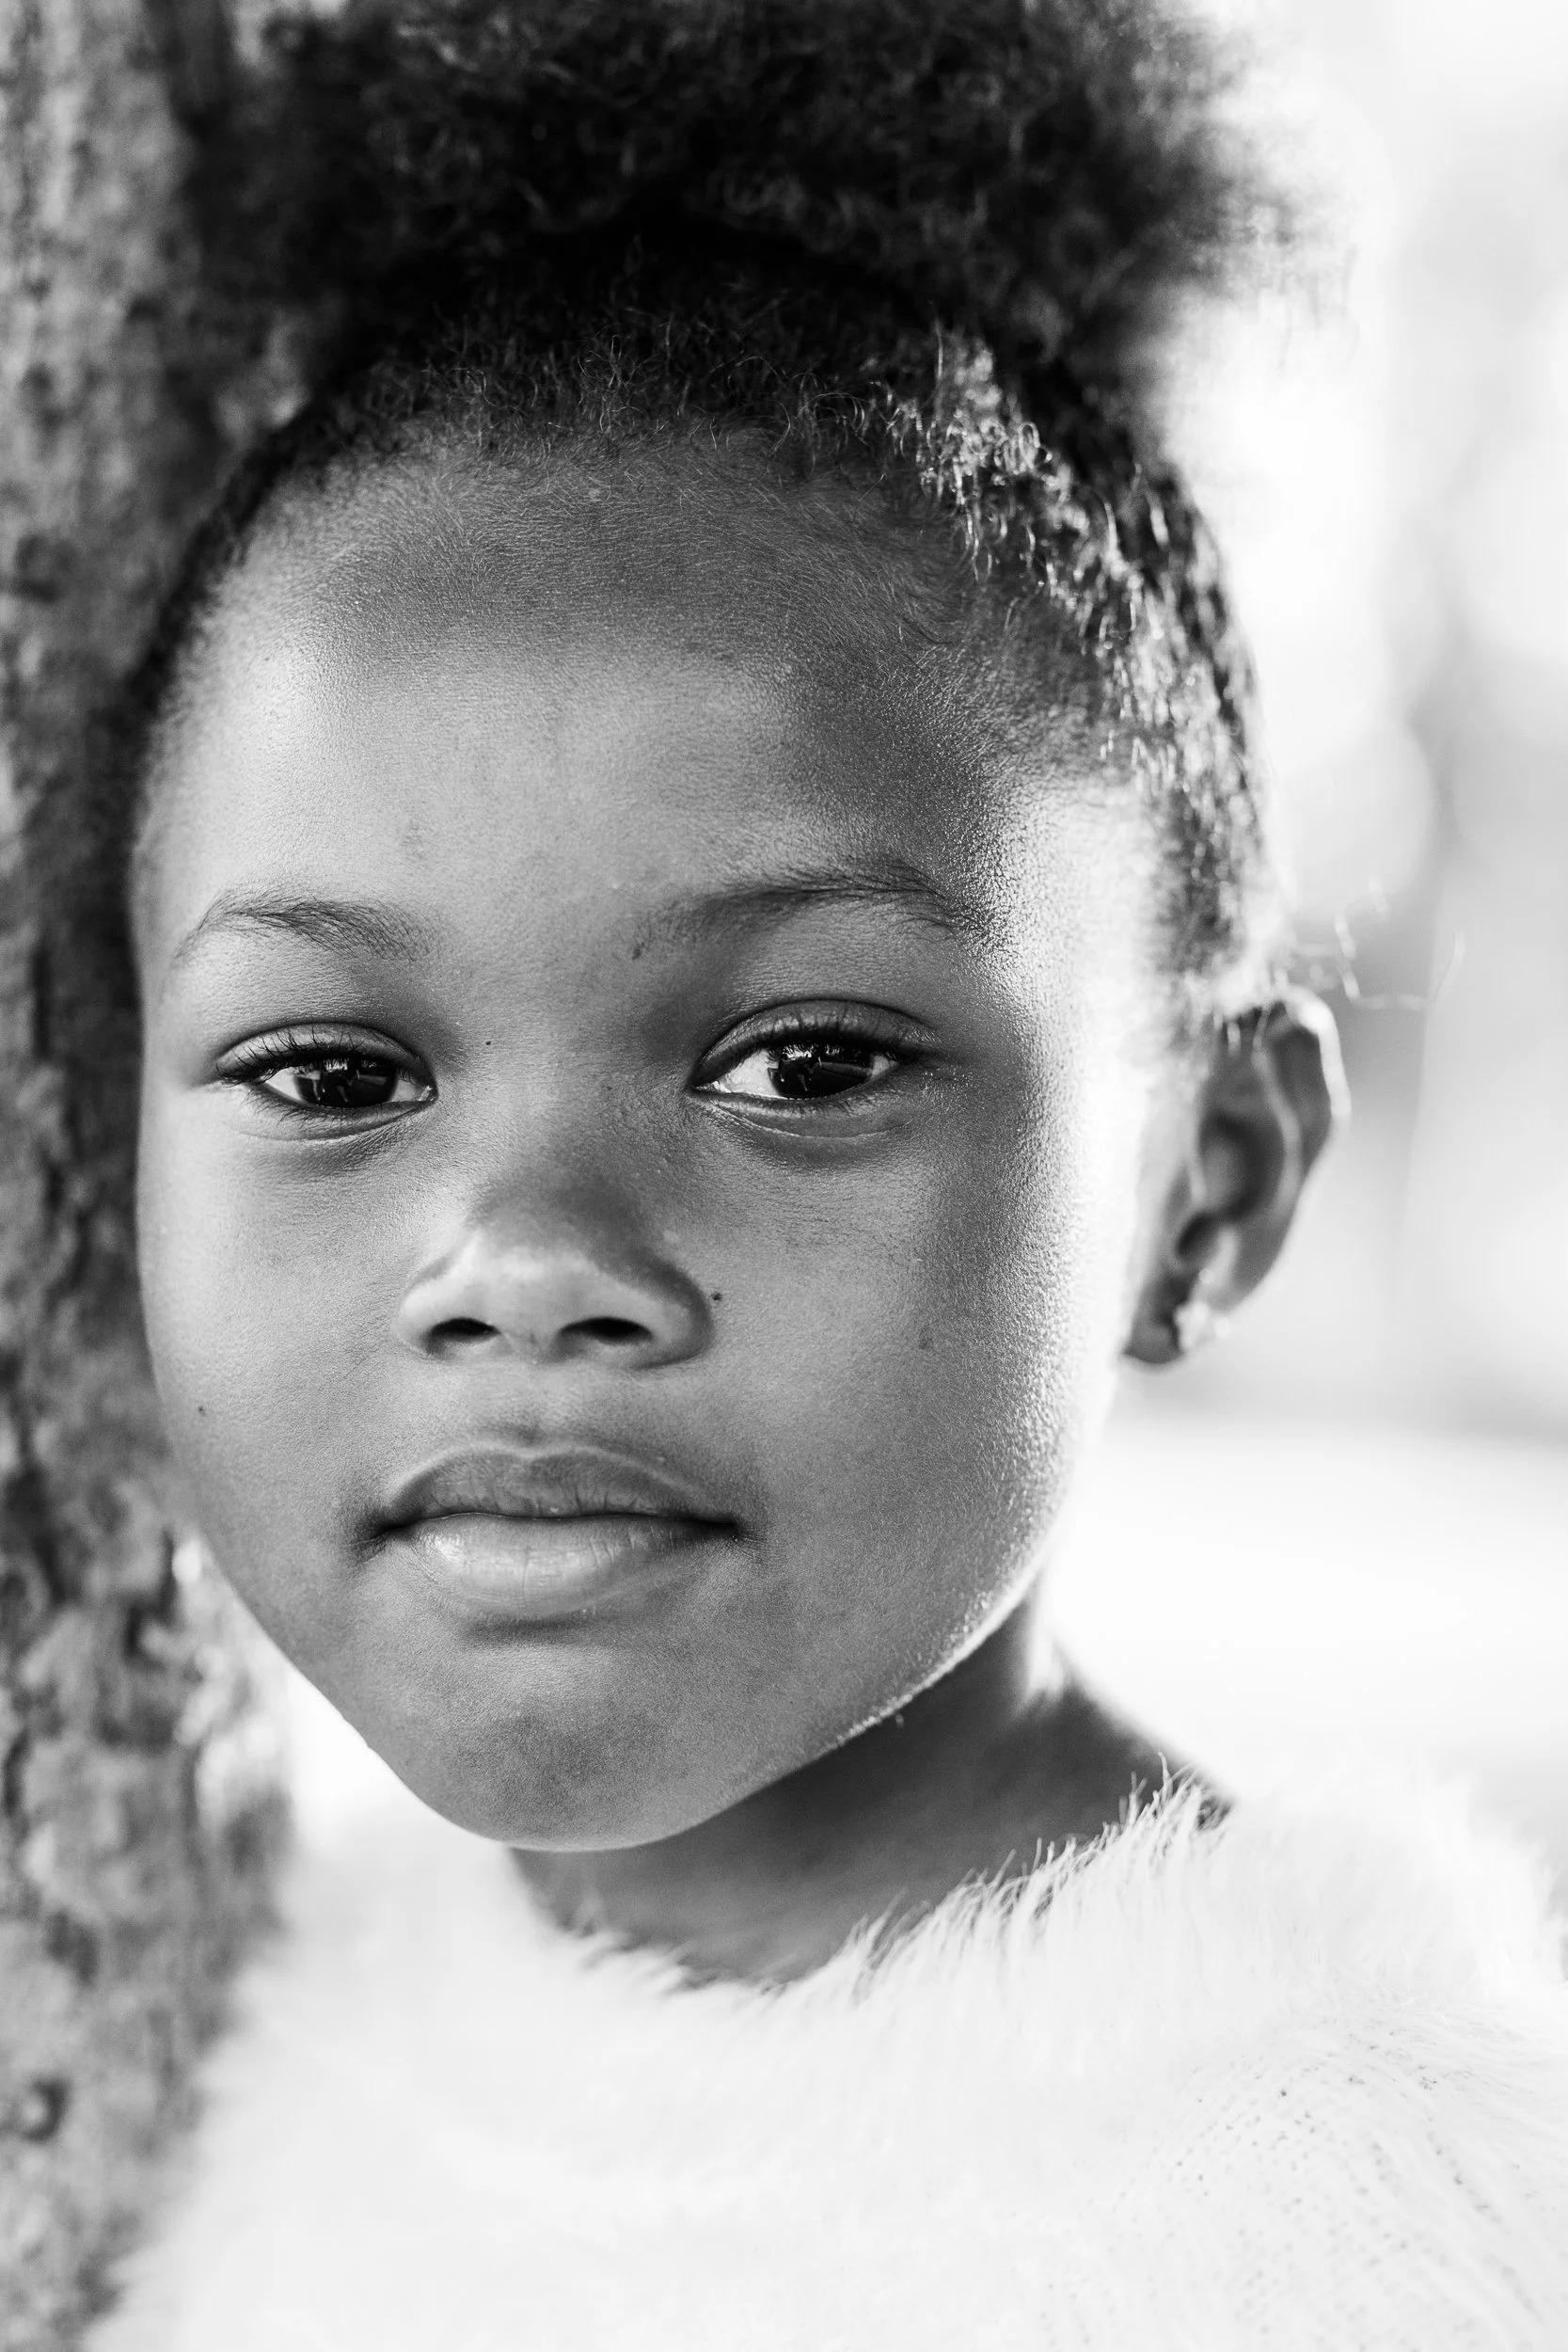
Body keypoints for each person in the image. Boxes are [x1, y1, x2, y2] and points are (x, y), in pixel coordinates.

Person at [92, 0, 1567, 2342]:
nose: (532, 1265)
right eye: (333, 1070)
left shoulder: (1378, 2231)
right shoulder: (252, 2036)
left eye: (799, 1057)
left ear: (1211, 1178)